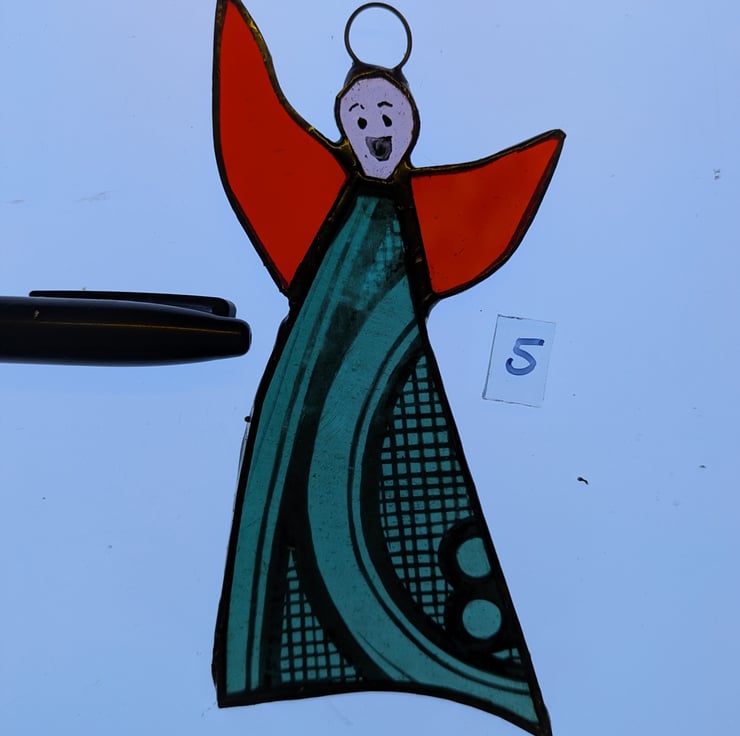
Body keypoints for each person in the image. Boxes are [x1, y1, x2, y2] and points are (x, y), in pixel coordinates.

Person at [212, 2, 564, 734]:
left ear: (410, 125)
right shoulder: (320, 205)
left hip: (401, 394)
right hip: (311, 396)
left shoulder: (420, 214)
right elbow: (254, 138)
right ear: (343, 127)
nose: (376, 126)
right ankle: (278, 652)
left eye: (389, 114)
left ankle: (457, 663)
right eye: (361, 114)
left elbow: (491, 203)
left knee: (418, 504)